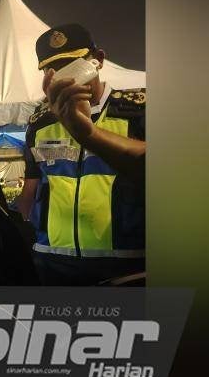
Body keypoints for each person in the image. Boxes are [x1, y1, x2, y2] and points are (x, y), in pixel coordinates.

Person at [15, 23, 146, 285]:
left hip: (126, 266)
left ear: (97, 60)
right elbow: (31, 189)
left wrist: (89, 134)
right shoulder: (39, 122)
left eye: (73, 65)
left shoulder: (138, 110)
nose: (64, 76)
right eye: (54, 69)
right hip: (52, 262)